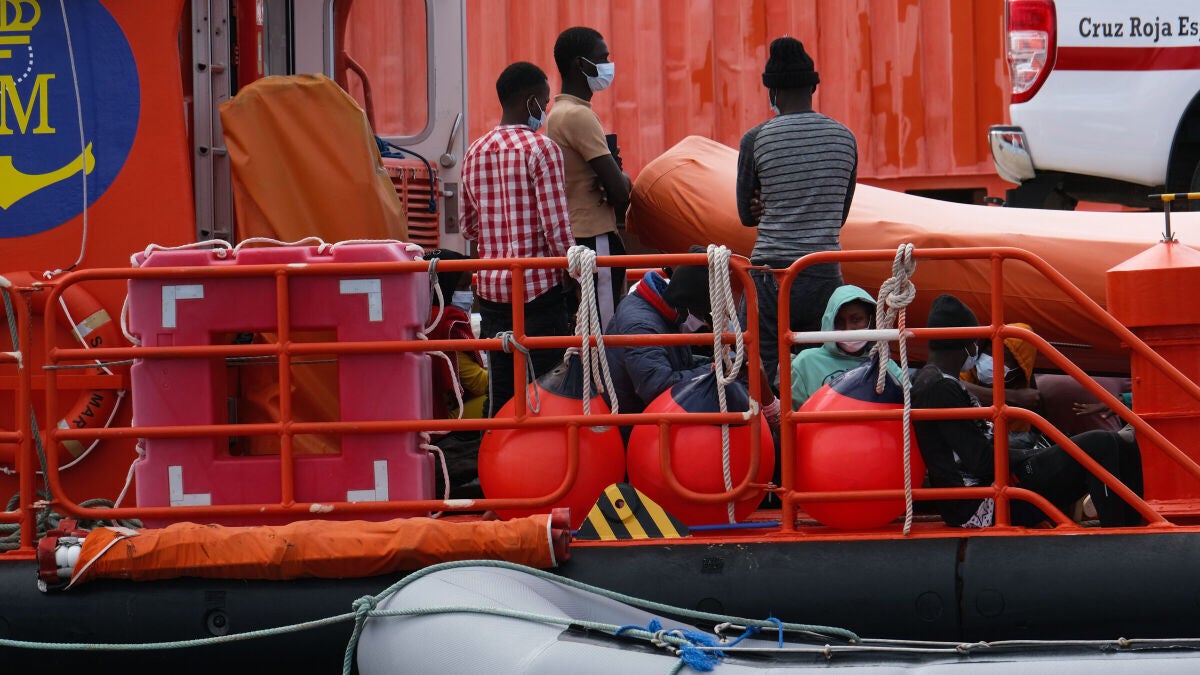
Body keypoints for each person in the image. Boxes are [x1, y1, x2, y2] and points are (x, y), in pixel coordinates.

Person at [911, 294, 1144, 528]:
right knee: (1100, 445)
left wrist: (1038, 454)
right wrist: (1032, 455)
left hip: (994, 485)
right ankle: (1119, 535)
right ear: (967, 342)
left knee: (1120, 444)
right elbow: (981, 461)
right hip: (980, 503)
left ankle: (1133, 529)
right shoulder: (940, 387)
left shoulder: (937, 381)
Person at [736, 36, 858, 393]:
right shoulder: (844, 137)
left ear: (772, 91)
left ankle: (770, 427)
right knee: (823, 368)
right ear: (813, 87)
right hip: (823, 272)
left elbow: (746, 214)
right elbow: (839, 216)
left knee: (758, 365)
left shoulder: (756, 139)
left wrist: (768, 205)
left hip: (771, 276)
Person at [461, 62, 576, 416]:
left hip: (491, 293)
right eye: (545, 101)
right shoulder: (542, 149)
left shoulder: (474, 151)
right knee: (545, 389)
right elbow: (557, 231)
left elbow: (468, 227)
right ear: (530, 101)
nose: (545, 109)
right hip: (539, 292)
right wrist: (576, 274)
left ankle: (496, 446)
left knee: (501, 388)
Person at [605, 261, 779, 441]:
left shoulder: (663, 312)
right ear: (687, 305)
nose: (702, 322)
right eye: (701, 314)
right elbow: (656, 387)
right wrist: (718, 368)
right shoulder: (642, 326)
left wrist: (721, 363)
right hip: (635, 431)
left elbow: (677, 364)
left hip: (653, 420)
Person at [547, 26, 631, 329]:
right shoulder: (578, 115)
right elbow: (619, 192)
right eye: (602, 58)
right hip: (595, 236)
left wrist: (616, 177)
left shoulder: (558, 113)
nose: (608, 65)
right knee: (603, 332)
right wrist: (623, 178)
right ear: (580, 65)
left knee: (585, 330)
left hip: (576, 235)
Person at [789, 284, 903, 409]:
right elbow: (792, 414)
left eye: (856, 320)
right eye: (839, 322)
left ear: (871, 321)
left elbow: (910, 403)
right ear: (830, 323)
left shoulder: (886, 365)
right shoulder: (806, 363)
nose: (848, 328)